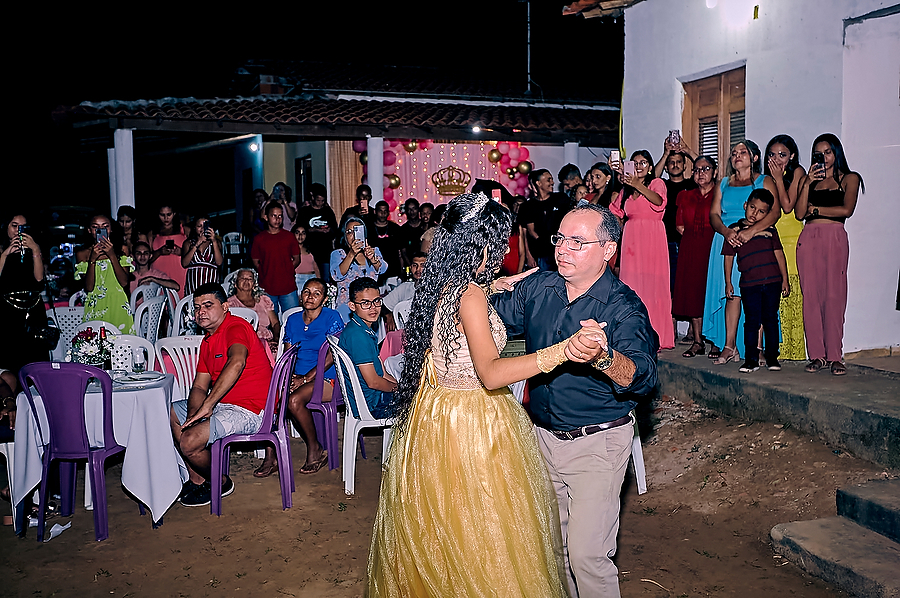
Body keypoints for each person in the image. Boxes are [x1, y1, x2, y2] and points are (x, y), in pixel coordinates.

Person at [368, 194, 583, 596]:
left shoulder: (441, 283)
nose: (504, 252)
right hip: (472, 421)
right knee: (486, 532)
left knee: (446, 531)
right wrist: (560, 352)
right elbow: (491, 373)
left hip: (436, 415)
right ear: (480, 245)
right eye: (499, 244)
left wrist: (491, 286)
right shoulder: (471, 296)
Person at [491, 201, 659, 597]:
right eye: (560, 239)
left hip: (597, 443)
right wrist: (483, 287)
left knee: (587, 556)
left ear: (608, 250)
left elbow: (642, 378)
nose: (563, 248)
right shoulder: (539, 287)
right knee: (555, 549)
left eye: (577, 242)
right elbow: (488, 318)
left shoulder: (623, 307)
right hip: (544, 438)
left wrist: (603, 357)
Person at [170, 283, 273, 507]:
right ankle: (198, 480)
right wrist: (193, 415)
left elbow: (237, 362)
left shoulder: (235, 327)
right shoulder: (208, 340)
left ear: (225, 306)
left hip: (252, 410)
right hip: (226, 404)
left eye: (208, 305)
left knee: (189, 442)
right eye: (197, 307)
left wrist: (207, 407)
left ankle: (220, 481)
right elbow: (199, 385)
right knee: (174, 413)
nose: (201, 312)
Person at [253, 278, 344, 478]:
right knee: (271, 398)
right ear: (301, 295)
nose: (310, 296)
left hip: (327, 377)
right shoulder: (293, 320)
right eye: (306, 292)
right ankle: (272, 454)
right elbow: (289, 353)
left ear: (324, 299)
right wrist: (288, 377)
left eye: (316, 293)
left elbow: (333, 354)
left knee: (293, 401)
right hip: (299, 377)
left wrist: (307, 377)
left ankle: (315, 448)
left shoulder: (332, 317)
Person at [703, 140, 778, 364]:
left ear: (754, 157)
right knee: (732, 293)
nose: (737, 155)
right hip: (727, 240)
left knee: (758, 294)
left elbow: (774, 213)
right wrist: (727, 232)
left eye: (743, 152)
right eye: (734, 152)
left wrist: (751, 232)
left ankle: (757, 347)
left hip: (755, 242)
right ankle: (729, 346)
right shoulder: (723, 183)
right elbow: (714, 215)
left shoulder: (764, 181)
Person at [795, 133, 864, 376]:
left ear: (836, 153)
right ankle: (817, 355)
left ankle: (835, 355)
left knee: (834, 296)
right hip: (809, 237)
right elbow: (799, 213)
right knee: (811, 297)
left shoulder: (849, 178)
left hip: (834, 237)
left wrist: (817, 209)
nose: (823, 157)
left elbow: (847, 209)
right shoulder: (808, 180)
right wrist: (806, 184)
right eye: (818, 152)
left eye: (828, 152)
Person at [610, 150, 674, 349]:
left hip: (652, 239)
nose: (639, 166)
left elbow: (659, 202)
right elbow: (615, 210)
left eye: (643, 162)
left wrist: (637, 184)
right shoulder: (627, 189)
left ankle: (657, 336)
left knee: (653, 287)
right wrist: (619, 178)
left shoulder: (656, 183)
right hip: (631, 242)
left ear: (650, 166)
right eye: (635, 163)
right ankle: (632, 336)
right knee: (632, 287)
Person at [721, 189, 790, 372]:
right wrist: (728, 282)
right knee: (752, 321)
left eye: (761, 211)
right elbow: (728, 257)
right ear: (745, 206)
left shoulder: (771, 231)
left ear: (767, 215)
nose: (754, 213)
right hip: (749, 284)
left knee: (770, 320)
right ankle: (750, 359)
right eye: (752, 207)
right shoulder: (734, 231)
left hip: (773, 282)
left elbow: (779, 255)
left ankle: (772, 357)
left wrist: (785, 279)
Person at [764, 134, 807, 361]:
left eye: (782, 154)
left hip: (792, 239)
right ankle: (775, 348)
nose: (777, 159)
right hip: (772, 238)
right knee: (774, 293)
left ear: (791, 156)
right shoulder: (765, 178)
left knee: (792, 291)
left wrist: (779, 179)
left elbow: (788, 207)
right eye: (772, 154)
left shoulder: (797, 173)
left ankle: (795, 349)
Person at [673, 156, 718, 358]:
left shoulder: (721, 193)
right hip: (690, 246)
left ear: (715, 172)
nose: (700, 173)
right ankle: (698, 341)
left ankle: (716, 342)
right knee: (693, 293)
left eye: (706, 168)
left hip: (714, 245)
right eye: (697, 169)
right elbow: (679, 225)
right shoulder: (685, 195)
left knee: (713, 291)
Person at [337, 277, 395, 419]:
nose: (373, 308)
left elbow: (382, 372)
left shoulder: (363, 329)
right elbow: (373, 381)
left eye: (376, 301)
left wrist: (400, 387)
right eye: (365, 303)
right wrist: (398, 390)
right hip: (371, 404)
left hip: (373, 398)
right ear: (352, 306)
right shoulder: (358, 336)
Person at [0, 213, 48, 373]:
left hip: (33, 309)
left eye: (23, 227)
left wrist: (35, 249)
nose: (18, 231)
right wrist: (5, 254)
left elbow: (39, 278)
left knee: (35, 357)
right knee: (12, 358)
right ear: (6, 227)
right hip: (8, 310)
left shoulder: (34, 247)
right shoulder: (1, 249)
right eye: (14, 226)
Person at [75, 214, 135, 334]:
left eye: (105, 226)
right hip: (95, 303)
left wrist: (112, 255)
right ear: (89, 230)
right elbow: (89, 287)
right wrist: (92, 259)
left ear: (110, 229)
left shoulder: (122, 249)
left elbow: (124, 282)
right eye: (95, 227)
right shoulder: (83, 253)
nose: (100, 230)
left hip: (117, 302)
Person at [251, 202, 301, 314]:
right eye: (274, 216)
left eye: (280, 216)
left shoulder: (289, 237)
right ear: (266, 217)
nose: (277, 219)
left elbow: (297, 259)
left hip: (288, 287)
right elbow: (255, 261)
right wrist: (267, 271)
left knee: (292, 317)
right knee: (270, 322)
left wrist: (286, 269)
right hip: (267, 287)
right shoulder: (259, 239)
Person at [329, 217, 386, 313]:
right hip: (346, 308)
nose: (353, 235)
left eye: (356, 230)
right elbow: (336, 275)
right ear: (344, 236)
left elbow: (383, 269)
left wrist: (372, 259)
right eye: (349, 232)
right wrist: (351, 254)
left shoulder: (373, 251)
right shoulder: (338, 254)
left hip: (370, 308)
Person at [520, 169, 572, 271]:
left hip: (561, 251)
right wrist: (528, 255)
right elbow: (529, 232)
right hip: (540, 254)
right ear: (539, 183)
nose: (552, 183)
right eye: (548, 180)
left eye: (552, 179)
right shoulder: (528, 206)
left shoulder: (561, 199)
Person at [226, 268, 280, 358]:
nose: (246, 281)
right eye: (242, 278)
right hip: (244, 343)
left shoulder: (263, 300)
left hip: (267, 341)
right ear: (235, 283)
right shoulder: (230, 304)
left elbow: (275, 323)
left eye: (250, 278)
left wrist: (276, 338)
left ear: (254, 284)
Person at [295, 183, 338, 277]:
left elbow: (335, 230)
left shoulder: (328, 211)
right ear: (312, 197)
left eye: (323, 201)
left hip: (325, 252)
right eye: (318, 200)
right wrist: (315, 230)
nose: (320, 203)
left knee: (326, 279)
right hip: (310, 250)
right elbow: (299, 229)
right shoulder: (305, 211)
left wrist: (329, 230)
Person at [148, 204, 187, 298]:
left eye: (168, 214)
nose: (166, 218)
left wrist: (181, 252)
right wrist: (159, 252)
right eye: (162, 215)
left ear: (174, 214)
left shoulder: (185, 230)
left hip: (180, 272)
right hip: (160, 272)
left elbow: (194, 253)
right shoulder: (152, 233)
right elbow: (146, 259)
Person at [381, 251, 426, 331]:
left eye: (422, 265)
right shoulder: (404, 287)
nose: (418, 269)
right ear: (411, 267)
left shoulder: (435, 290)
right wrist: (389, 315)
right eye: (415, 265)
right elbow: (383, 304)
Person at [181, 216, 224, 296]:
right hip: (193, 284)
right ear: (194, 228)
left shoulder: (216, 242)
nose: (202, 229)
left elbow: (219, 262)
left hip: (211, 281)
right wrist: (196, 245)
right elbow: (184, 263)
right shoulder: (188, 243)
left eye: (205, 226)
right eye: (199, 226)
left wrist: (214, 241)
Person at [366, 200, 404, 281]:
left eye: (385, 211)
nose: (383, 214)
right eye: (380, 211)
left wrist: (401, 272)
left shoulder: (395, 228)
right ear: (375, 212)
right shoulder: (369, 228)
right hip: (375, 272)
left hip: (393, 272)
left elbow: (400, 253)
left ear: (388, 212)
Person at [291, 223, 321, 294]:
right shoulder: (289, 250)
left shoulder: (310, 249)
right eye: (297, 233)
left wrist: (319, 282)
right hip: (296, 279)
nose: (300, 236)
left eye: (303, 233)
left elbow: (316, 268)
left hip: (311, 278)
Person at [398, 197, 425, 265]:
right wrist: (411, 266)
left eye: (414, 209)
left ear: (418, 209)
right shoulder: (403, 230)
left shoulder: (426, 226)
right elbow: (403, 252)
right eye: (409, 209)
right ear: (406, 211)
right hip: (410, 265)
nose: (412, 212)